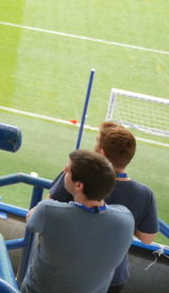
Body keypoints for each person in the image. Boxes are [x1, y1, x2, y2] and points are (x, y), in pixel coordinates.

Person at [48, 122, 158, 292]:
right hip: (113, 278)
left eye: (97, 140)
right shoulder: (145, 194)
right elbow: (147, 238)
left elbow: (50, 206)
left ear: (101, 152)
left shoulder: (75, 174)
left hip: (68, 271)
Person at [22, 149, 134, 293]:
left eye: (67, 171)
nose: (63, 171)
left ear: (79, 185)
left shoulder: (47, 211)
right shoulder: (126, 219)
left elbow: (32, 221)